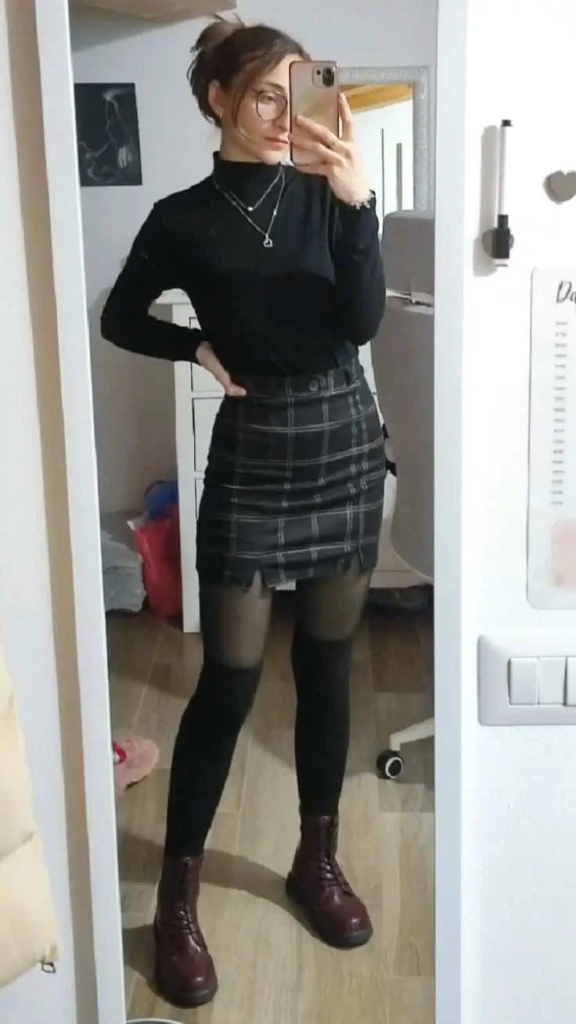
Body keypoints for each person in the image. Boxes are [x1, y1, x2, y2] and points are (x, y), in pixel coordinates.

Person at [101, 16, 386, 1010]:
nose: (281, 114)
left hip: (343, 432)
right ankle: (175, 902)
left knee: (328, 664)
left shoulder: (329, 194)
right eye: (263, 93)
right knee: (227, 678)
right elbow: (120, 316)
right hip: (255, 448)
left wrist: (358, 207)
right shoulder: (182, 218)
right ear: (217, 97)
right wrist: (194, 348)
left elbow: (361, 320)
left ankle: (317, 857)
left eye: (295, 92)